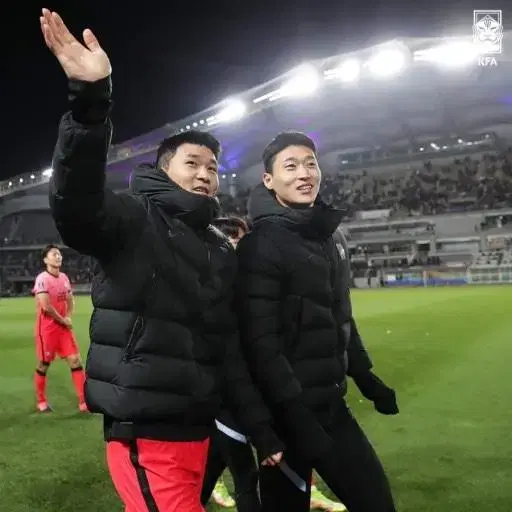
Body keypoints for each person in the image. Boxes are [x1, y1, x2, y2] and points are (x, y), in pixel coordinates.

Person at [40, 9, 283, 512]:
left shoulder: (218, 247)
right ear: (162, 170)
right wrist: (90, 104)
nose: (204, 175)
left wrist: (261, 429)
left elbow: (226, 347)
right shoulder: (134, 219)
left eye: (212, 168)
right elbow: (77, 207)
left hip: (197, 425)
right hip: (143, 426)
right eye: (191, 163)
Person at [236, 131, 399, 512]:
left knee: (377, 503)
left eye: (311, 163)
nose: (304, 173)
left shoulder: (329, 236)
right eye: (290, 166)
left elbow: (340, 315)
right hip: (286, 417)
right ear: (268, 180)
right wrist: (295, 418)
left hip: (330, 406)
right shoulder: (261, 244)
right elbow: (261, 344)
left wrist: (366, 377)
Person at [202, 216, 347, 512]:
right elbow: (228, 359)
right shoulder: (215, 295)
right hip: (225, 403)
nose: (238, 248)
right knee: (244, 474)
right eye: (232, 242)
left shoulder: (255, 290)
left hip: (246, 401)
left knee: (222, 469)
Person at [33, 244, 87, 413]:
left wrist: (68, 315)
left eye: (59, 254)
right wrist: (63, 319)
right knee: (44, 364)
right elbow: (46, 306)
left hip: (63, 329)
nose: (58, 257)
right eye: (54, 254)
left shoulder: (64, 277)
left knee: (76, 361)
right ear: (45, 259)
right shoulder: (42, 278)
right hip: (47, 329)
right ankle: (41, 401)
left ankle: (83, 402)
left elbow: (70, 298)